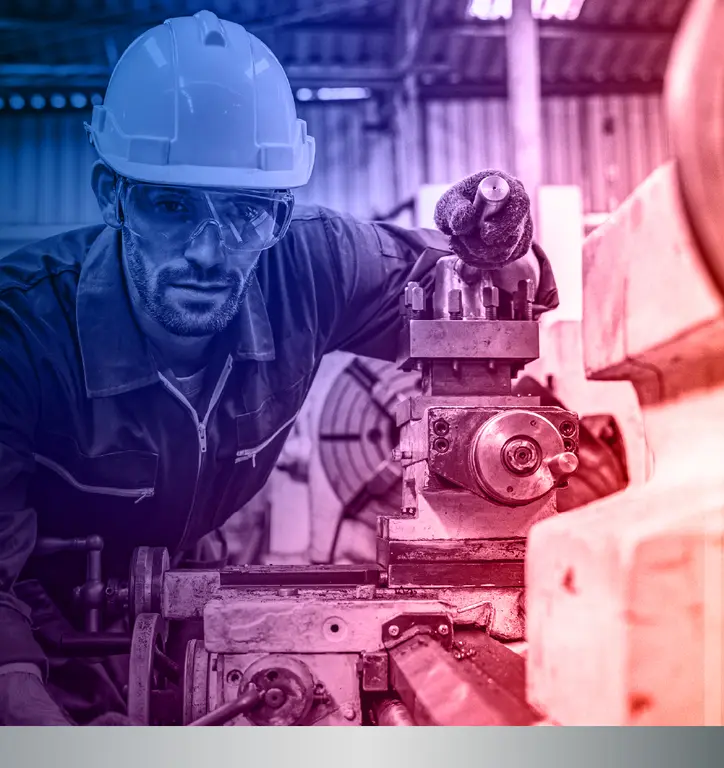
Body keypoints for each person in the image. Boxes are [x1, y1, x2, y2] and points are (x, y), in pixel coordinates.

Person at [0, 10, 558, 725]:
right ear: (112, 194)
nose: (208, 251)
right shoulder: (20, 332)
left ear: (281, 212)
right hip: (34, 616)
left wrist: (501, 251)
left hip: (181, 590)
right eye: (170, 205)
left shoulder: (308, 265)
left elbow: (468, 286)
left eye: (244, 213)